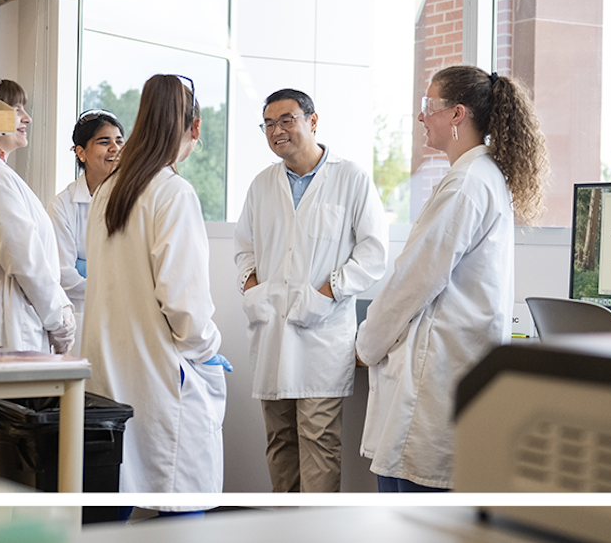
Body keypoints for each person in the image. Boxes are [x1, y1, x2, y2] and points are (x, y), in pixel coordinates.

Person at [357, 65, 546, 492]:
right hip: (447, 374)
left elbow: (413, 281)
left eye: (429, 106)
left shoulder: (466, 184)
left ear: (457, 113)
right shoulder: (479, 178)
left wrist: (366, 344)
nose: (421, 116)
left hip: (434, 382)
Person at [83, 74, 229, 513]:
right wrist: (208, 350)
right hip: (161, 375)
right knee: (181, 498)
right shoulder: (172, 192)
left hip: (111, 370)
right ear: (195, 128)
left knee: (116, 489)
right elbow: (185, 307)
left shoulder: (109, 189)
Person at [234, 88, 389, 493]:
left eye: (287, 120)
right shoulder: (262, 184)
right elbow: (243, 250)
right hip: (271, 333)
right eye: (268, 124)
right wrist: (253, 290)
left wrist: (326, 292)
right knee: (279, 442)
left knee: (319, 443)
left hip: (322, 336)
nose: (276, 130)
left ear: (312, 121)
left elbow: (373, 254)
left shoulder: (350, 177)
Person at [0, 80, 78, 353]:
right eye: (16, 109)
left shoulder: (1, 174)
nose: (27, 118)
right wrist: (58, 318)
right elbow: (25, 260)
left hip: (26, 321)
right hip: (15, 328)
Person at [52, 109, 123, 315]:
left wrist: (86, 268)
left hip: (128, 314)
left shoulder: (136, 199)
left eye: (119, 141)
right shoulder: (63, 206)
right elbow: (65, 275)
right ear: (81, 152)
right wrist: (115, 286)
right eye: (104, 142)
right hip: (84, 312)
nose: (115, 148)